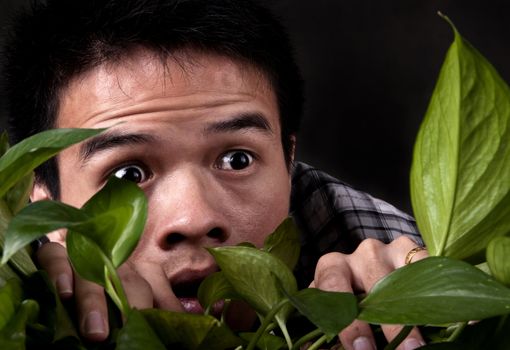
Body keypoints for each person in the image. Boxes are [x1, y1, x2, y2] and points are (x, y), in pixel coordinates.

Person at [3, 0, 427, 349]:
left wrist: (426, 288)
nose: (195, 219)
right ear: (49, 209)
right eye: (128, 175)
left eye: (237, 160)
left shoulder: (375, 260)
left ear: (287, 158)